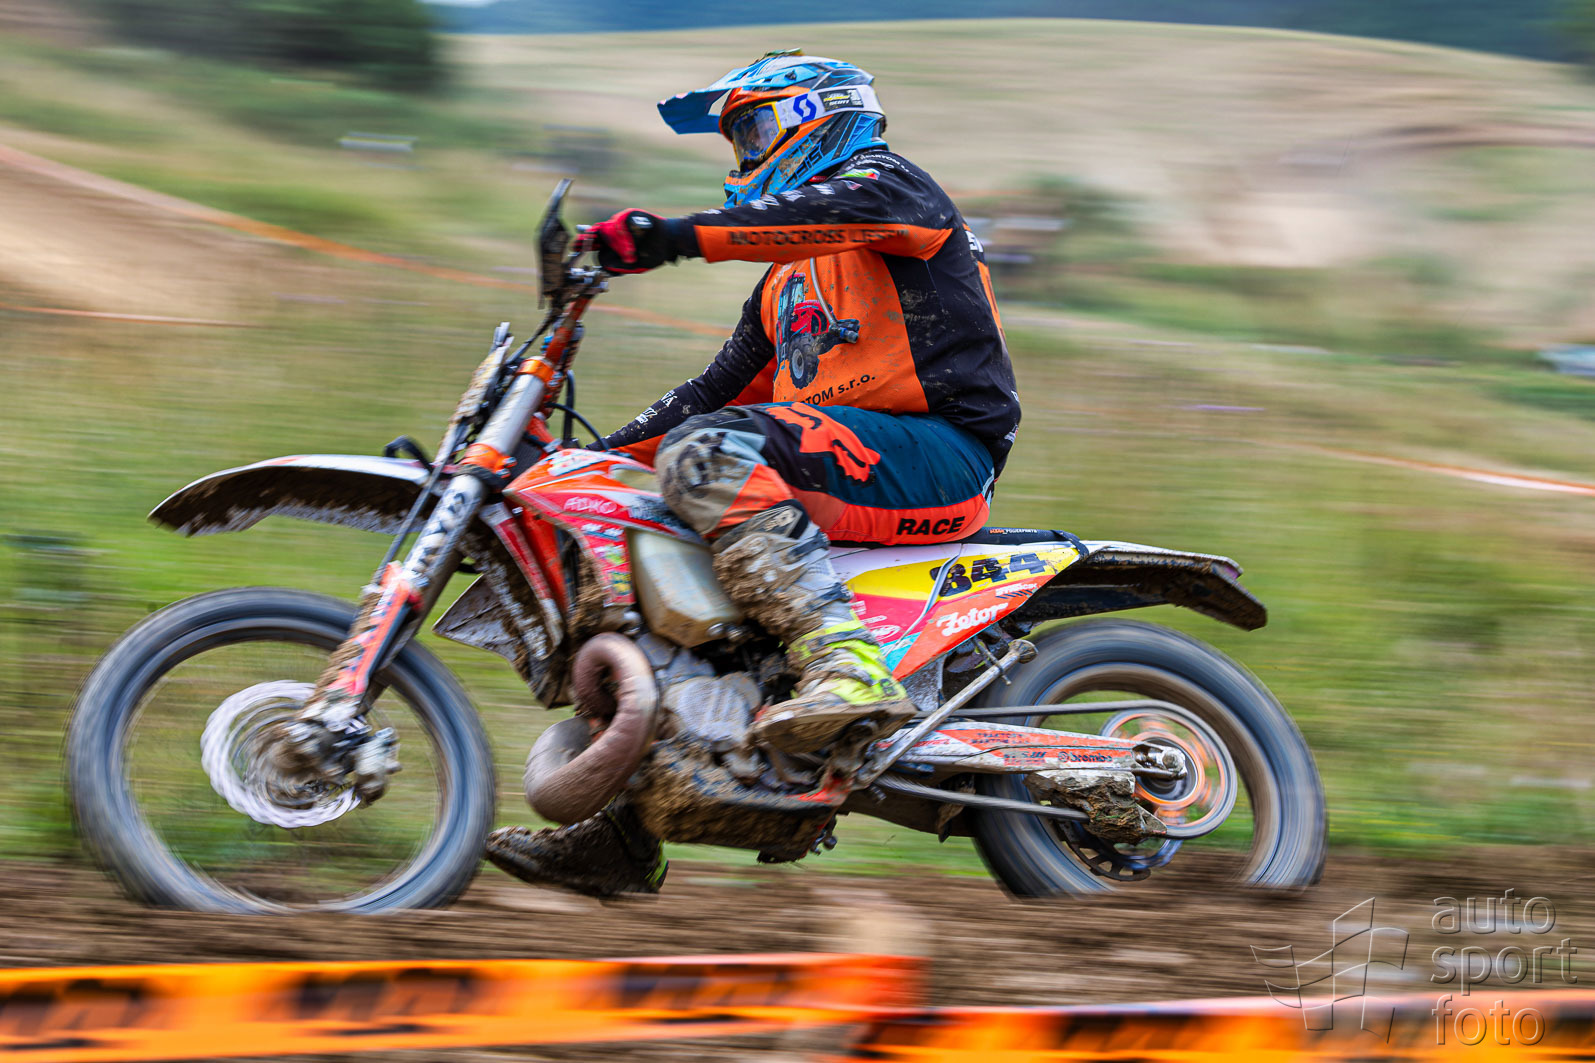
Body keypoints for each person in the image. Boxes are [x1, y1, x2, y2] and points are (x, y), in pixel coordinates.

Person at [487, 51, 1020, 896]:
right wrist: (577, 463)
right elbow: (709, 394)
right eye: (737, 138)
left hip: (941, 450)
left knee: (706, 454)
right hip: (840, 460)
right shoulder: (784, 285)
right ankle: (625, 827)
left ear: (818, 116)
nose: (744, 153)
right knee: (635, 519)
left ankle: (845, 659)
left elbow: (810, 216)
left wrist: (668, 237)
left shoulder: (894, 190)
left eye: (754, 130)